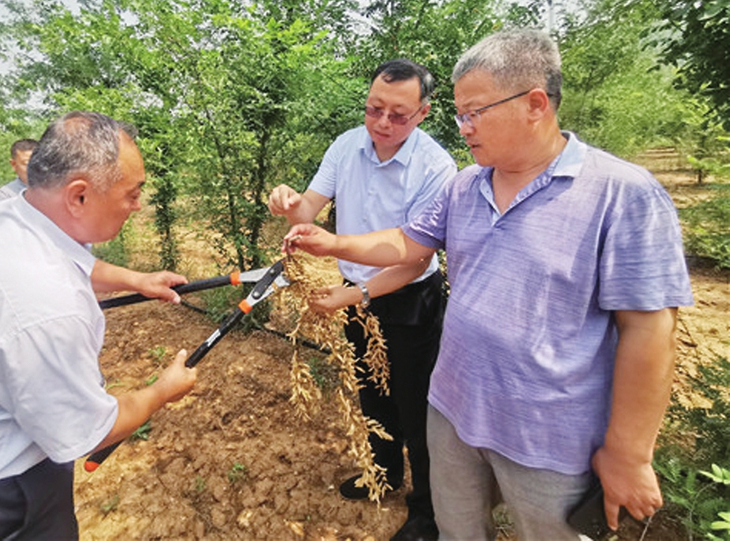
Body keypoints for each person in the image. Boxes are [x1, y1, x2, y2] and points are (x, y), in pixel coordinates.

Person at [284, 29, 693, 540]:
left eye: (474, 113)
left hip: (549, 442)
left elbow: (650, 328)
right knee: (459, 530)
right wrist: (332, 244)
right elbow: (408, 244)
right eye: (460, 114)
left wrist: (629, 453)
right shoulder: (466, 185)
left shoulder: (622, 194)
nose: (464, 128)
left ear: (534, 104)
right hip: (453, 413)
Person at [0, 111, 197, 540]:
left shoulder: (7, 218)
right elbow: (91, 432)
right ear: (79, 196)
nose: (139, 206)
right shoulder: (45, 310)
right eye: (132, 193)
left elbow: (68, 261)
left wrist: (137, 279)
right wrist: (162, 391)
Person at [268, 59, 456, 541]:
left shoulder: (435, 167)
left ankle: (426, 512)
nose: (382, 124)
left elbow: (415, 257)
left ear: (423, 113)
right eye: (374, 109)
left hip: (410, 297)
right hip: (356, 297)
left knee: (417, 408)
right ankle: (383, 474)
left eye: (398, 115)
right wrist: (290, 205)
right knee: (373, 394)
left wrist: (354, 291)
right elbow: (309, 207)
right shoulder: (347, 145)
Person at [0, 137, 38, 202]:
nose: (32, 167)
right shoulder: (5, 195)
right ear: (13, 164)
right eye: (26, 163)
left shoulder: (53, 189)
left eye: (36, 162)